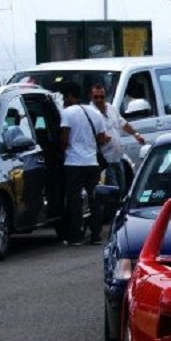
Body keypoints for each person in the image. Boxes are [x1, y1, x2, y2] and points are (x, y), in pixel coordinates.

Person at [89, 83, 146, 235]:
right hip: (104, 158)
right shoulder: (91, 113)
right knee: (111, 190)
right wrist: (100, 139)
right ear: (91, 97)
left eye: (101, 97)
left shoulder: (111, 108)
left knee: (121, 188)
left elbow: (122, 123)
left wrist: (136, 134)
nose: (99, 100)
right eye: (96, 97)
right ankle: (112, 220)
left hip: (117, 156)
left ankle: (116, 216)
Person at [58, 83, 109, 245]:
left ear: (71, 97)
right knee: (95, 200)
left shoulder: (67, 113)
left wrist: (61, 150)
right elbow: (101, 138)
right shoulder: (95, 113)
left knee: (75, 200)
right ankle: (95, 235)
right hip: (92, 162)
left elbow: (64, 138)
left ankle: (76, 236)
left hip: (73, 163)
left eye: (66, 98)